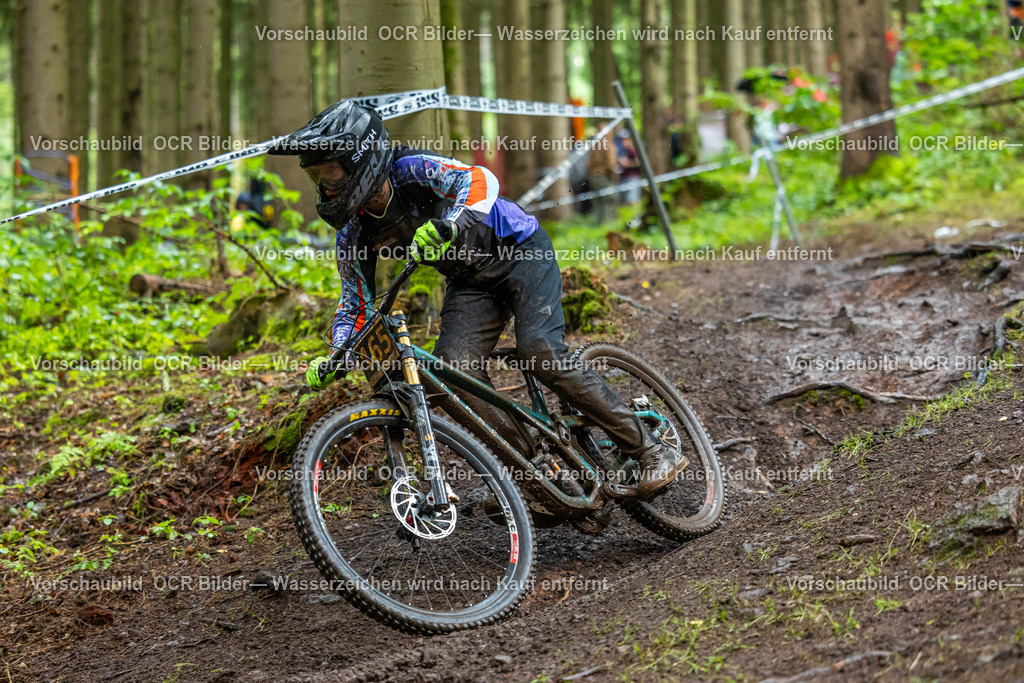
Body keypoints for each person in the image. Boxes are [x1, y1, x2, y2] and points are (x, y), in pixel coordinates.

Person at [268, 101, 686, 498]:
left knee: (541, 351)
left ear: (361, 160)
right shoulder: (353, 233)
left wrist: (450, 222)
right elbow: (355, 304)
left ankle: (651, 449)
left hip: (519, 251)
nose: (324, 186)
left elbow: (479, 180)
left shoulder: (409, 169)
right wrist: (338, 352)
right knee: (452, 371)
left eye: (330, 173)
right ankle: (535, 473)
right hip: (470, 282)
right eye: (317, 178)